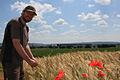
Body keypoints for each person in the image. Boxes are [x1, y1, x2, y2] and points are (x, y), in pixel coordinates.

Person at [0, 5, 38, 80]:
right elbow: (16, 43)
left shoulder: (26, 28)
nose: (30, 16)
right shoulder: (15, 22)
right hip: (9, 59)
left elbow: (26, 45)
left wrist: (32, 58)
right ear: (22, 12)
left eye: (32, 15)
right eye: (28, 13)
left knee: (21, 78)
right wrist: (29, 61)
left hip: (18, 59)